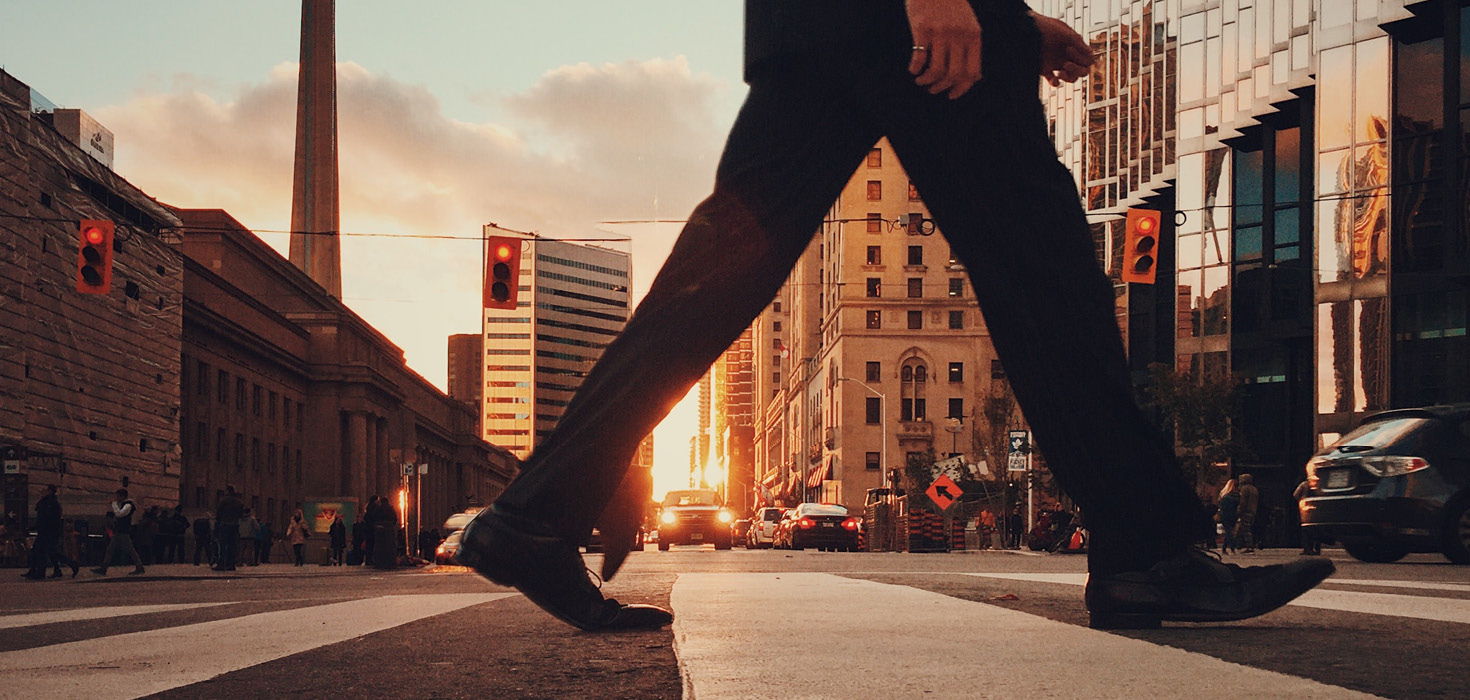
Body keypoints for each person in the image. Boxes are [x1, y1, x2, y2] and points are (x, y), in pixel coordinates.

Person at [457, 0, 1334, 632]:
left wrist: (1012, 22)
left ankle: (536, 514)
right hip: (894, 24)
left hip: (819, 26)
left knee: (716, 275)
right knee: (1049, 276)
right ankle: (1147, 555)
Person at [23, 485, 79, 580]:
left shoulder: (50, 503)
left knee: (44, 552)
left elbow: (46, 519)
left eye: (45, 490)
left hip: (48, 532)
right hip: (45, 531)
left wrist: (35, 527)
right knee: (43, 552)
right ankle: (38, 571)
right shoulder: (47, 502)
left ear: (50, 491)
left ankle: (40, 572)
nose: (42, 491)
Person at [92, 488, 145, 576]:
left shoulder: (128, 505)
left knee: (130, 550)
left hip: (123, 531)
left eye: (117, 496)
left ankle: (139, 567)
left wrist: (114, 505)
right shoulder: (123, 504)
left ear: (122, 496)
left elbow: (119, 514)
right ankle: (104, 568)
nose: (116, 498)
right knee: (110, 549)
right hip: (118, 531)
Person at [213, 486, 244, 571]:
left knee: (222, 545)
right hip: (235, 525)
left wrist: (217, 521)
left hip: (225, 524)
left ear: (228, 491)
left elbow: (218, 512)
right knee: (232, 545)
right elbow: (241, 515)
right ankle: (231, 564)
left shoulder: (224, 500)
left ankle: (221, 564)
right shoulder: (239, 502)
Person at [1292, 479, 1319, 555]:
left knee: (1305, 529)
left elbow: (1295, 494)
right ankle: (1316, 549)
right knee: (1315, 528)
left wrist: (1300, 500)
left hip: (1305, 507)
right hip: (1316, 507)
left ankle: (1307, 549)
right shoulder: (1318, 484)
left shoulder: (1304, 484)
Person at [1235, 473, 1260, 553]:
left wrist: (1239, 510)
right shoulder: (1254, 489)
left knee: (1245, 528)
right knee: (1245, 527)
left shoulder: (1244, 489)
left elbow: (1243, 501)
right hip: (1253, 510)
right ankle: (1240, 544)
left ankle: (1249, 546)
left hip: (1246, 511)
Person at [1217, 479, 1240, 554]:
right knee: (1230, 532)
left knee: (1228, 532)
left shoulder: (1225, 496)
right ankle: (1232, 547)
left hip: (1226, 516)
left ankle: (1225, 548)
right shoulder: (1237, 496)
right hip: (1232, 515)